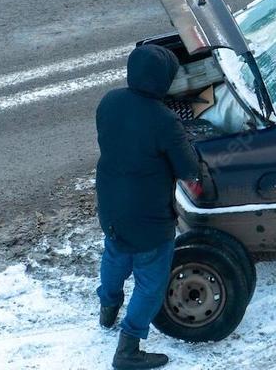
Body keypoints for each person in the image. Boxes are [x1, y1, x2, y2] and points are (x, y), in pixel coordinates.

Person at [95, 44, 200, 370]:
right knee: (151, 283)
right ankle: (128, 348)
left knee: (115, 254)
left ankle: (108, 307)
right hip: (149, 218)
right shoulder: (164, 121)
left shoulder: (110, 101)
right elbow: (187, 170)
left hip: (111, 205)